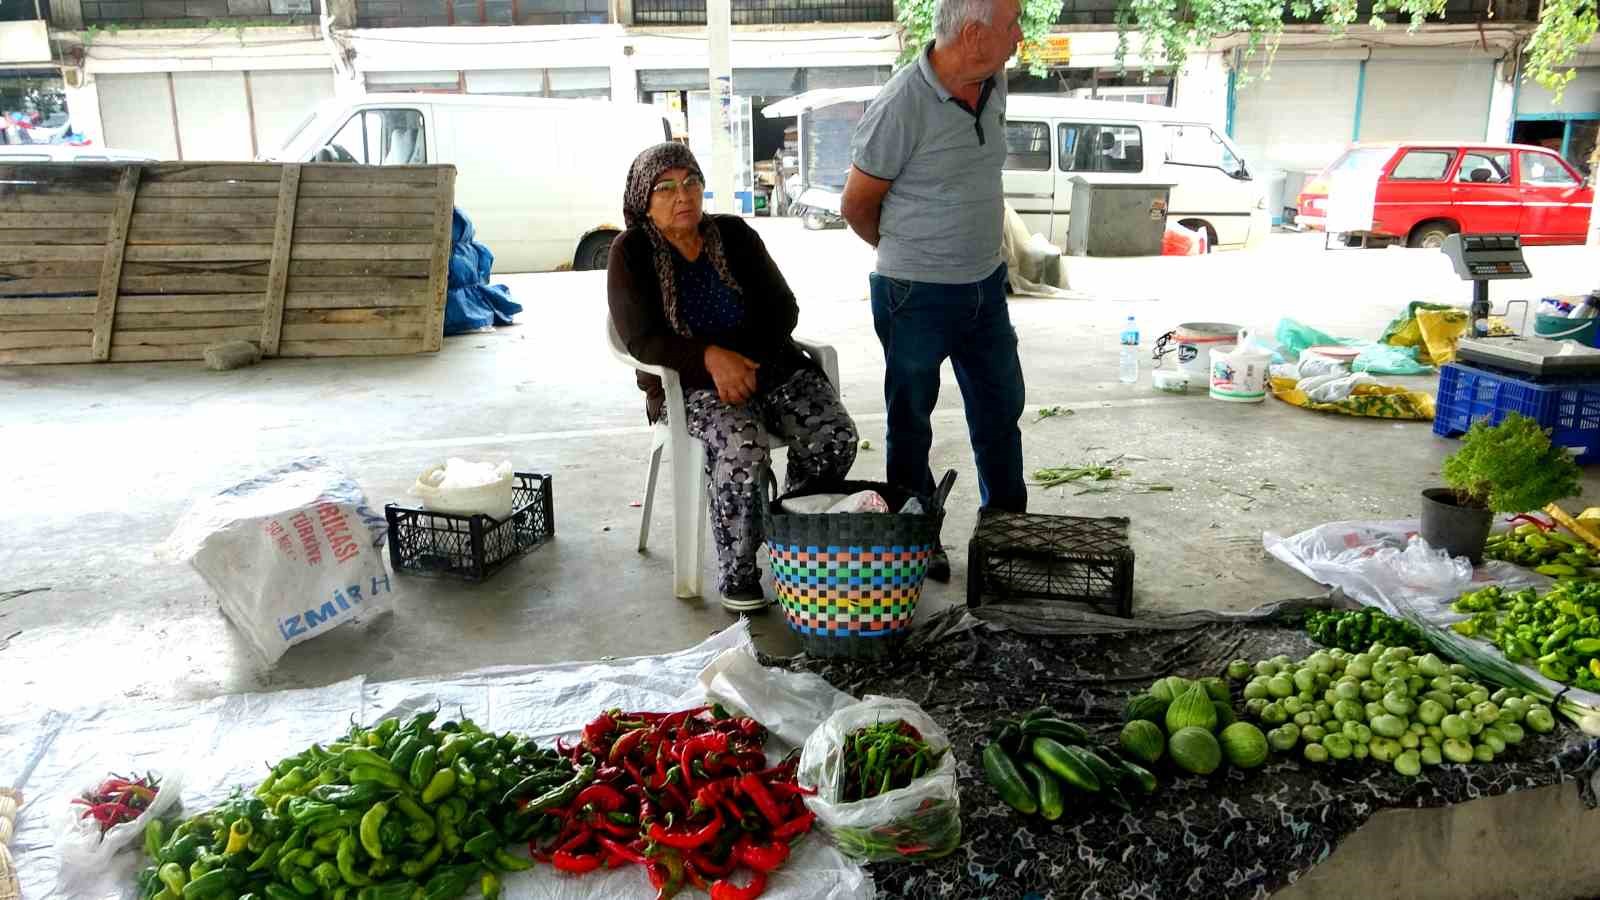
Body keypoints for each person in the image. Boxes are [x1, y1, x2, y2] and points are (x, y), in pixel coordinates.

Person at [609, 143, 859, 612]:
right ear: (644, 197)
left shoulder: (734, 235)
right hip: (688, 384)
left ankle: (791, 532)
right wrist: (711, 359)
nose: (681, 196)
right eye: (665, 188)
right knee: (743, 444)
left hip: (767, 364)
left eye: (691, 183)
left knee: (835, 436)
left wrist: (741, 361)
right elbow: (641, 339)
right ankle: (739, 569)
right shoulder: (632, 251)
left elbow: (783, 307)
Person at [840, 0, 1027, 581]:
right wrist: (911, 254)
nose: (1021, 34)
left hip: (985, 287)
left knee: (1000, 410)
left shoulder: (993, 83)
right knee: (912, 420)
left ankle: (1004, 532)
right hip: (913, 294)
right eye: (1012, 23)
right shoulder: (900, 106)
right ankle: (915, 541)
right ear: (973, 35)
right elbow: (857, 205)